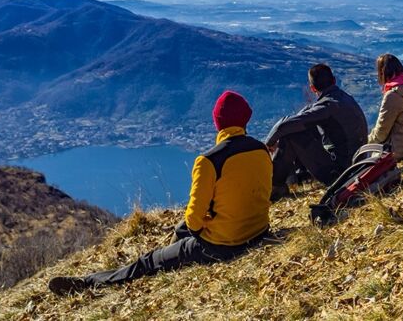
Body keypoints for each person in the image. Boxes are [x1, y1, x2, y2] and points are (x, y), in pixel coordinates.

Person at [48, 91, 271, 295]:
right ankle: (173, 251)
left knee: (148, 261)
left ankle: (87, 283)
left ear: (217, 123)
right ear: (246, 119)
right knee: (181, 228)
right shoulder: (261, 149)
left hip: (224, 245)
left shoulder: (209, 161)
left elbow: (194, 222)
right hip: (258, 232)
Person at [266, 63, 368, 201]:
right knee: (302, 126)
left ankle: (275, 187)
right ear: (334, 80)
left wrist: (268, 143)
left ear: (313, 88)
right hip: (357, 163)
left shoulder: (326, 107)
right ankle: (294, 178)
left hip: (340, 173)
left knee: (290, 135)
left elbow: (284, 126)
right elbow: (306, 114)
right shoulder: (344, 98)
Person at [367, 54, 403, 159]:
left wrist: (366, 141)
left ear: (382, 73)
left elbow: (381, 133)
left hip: (397, 152)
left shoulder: (393, 95)